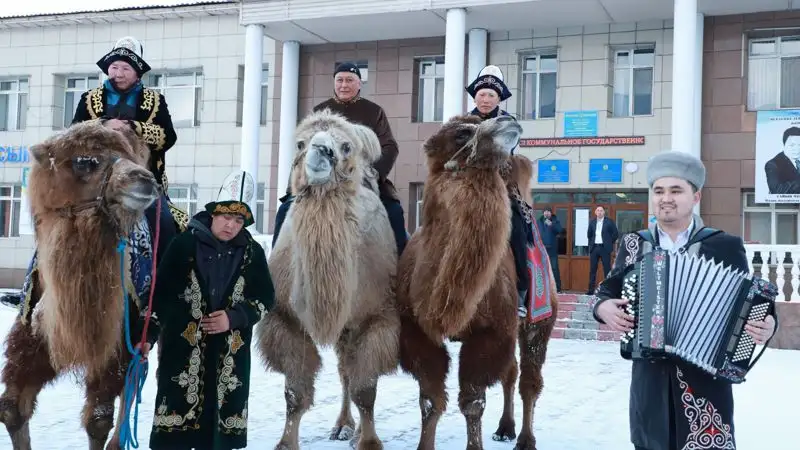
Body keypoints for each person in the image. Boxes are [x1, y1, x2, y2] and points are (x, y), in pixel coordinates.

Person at [592, 151, 778, 450]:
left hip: (706, 384)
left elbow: (754, 302)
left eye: (676, 190)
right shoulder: (635, 243)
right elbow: (608, 289)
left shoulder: (724, 245)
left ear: (696, 197)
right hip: (649, 382)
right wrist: (602, 307)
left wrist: (767, 324)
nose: (666, 198)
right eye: (658, 191)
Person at [0, 36, 179, 310]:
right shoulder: (90, 98)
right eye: (114, 67)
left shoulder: (155, 101)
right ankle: (30, 294)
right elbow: (73, 133)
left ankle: (161, 297)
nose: (117, 73)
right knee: (54, 225)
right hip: (90, 181)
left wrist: (132, 127)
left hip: (137, 179)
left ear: (137, 72)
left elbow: (168, 137)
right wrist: (105, 123)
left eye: (125, 68)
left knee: (166, 225)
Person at [135, 170, 275, 450]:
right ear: (213, 214)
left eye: (238, 220)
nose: (231, 225)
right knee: (174, 439)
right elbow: (160, 296)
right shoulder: (183, 245)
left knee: (218, 441)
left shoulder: (253, 252)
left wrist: (234, 317)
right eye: (226, 217)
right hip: (183, 357)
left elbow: (265, 298)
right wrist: (147, 336)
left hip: (230, 361)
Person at [272, 62, 408, 255]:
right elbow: (305, 147)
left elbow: (390, 146)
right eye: (340, 80)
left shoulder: (374, 111)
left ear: (359, 84)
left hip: (362, 180)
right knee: (284, 211)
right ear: (334, 83)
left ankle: (401, 271)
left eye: (349, 80)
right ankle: (275, 268)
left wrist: (372, 174)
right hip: (321, 181)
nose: (344, 85)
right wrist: (294, 187)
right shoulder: (320, 111)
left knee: (394, 212)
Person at [465, 65, 532, 317]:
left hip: (500, 186)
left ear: (498, 98)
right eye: (481, 94)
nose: (485, 99)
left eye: (491, 95)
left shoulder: (508, 123)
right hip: (466, 186)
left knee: (517, 229)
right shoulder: (462, 121)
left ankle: (521, 293)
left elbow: (501, 152)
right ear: (475, 97)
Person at [586, 205, 618, 294]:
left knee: (607, 269)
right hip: (594, 247)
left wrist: (609, 242)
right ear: (595, 212)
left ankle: (607, 290)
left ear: (604, 212)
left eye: (601, 210)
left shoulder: (609, 222)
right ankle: (590, 290)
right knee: (593, 270)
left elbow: (615, 234)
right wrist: (591, 243)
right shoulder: (592, 222)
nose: (599, 212)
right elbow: (589, 234)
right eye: (598, 210)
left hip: (605, 248)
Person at [765, 126, 800, 194]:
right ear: (784, 145)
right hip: (784, 204)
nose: (797, 149)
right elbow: (777, 190)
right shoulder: (773, 164)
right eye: (792, 145)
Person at [537, 207, 563, 292]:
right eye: (545, 212)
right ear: (543, 213)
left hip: (552, 249)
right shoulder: (539, 221)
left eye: (548, 212)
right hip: (541, 249)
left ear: (551, 213)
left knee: (554, 268)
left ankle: (558, 288)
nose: (546, 213)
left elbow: (560, 230)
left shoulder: (555, 221)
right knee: (541, 268)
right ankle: (543, 288)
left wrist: (551, 225)